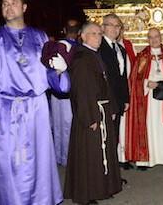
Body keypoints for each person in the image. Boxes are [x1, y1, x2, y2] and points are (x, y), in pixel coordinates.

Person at [0, 0, 70, 205]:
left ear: (24, 8)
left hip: (36, 108)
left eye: (14, 3)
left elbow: (49, 73)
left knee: (38, 161)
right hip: (6, 108)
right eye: (5, 3)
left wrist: (60, 71)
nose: (8, 7)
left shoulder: (40, 36)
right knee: (6, 162)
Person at [64, 23, 123, 205]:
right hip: (91, 112)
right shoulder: (82, 58)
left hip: (102, 110)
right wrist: (90, 117)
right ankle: (86, 194)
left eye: (99, 33)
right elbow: (82, 91)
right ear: (83, 36)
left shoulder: (93, 55)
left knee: (102, 153)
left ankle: (102, 188)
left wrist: (112, 108)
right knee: (89, 155)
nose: (98, 37)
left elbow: (106, 84)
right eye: (94, 34)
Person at [126, 28, 163, 170]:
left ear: (161, 38)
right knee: (149, 127)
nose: (154, 40)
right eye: (151, 37)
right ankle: (146, 160)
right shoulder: (142, 56)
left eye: (156, 36)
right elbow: (135, 79)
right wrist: (147, 83)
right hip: (148, 100)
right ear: (147, 39)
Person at [98, 14, 131, 169]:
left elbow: (122, 76)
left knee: (114, 136)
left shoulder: (120, 49)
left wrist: (125, 99)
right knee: (104, 138)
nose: (114, 29)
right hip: (105, 100)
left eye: (117, 26)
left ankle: (112, 172)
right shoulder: (98, 47)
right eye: (110, 25)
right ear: (103, 27)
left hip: (117, 100)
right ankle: (104, 173)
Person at [50, 21, 80, 166]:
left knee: (59, 124)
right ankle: (67, 157)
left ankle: (59, 156)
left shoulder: (56, 45)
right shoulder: (77, 47)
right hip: (68, 90)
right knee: (67, 124)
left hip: (57, 90)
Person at [116, 25, 136, 169]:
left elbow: (135, 66)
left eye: (121, 29)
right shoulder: (110, 46)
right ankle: (119, 157)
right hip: (117, 90)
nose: (119, 33)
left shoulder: (128, 45)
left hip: (129, 88)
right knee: (118, 125)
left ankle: (127, 156)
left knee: (127, 125)